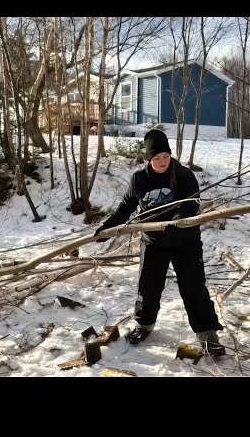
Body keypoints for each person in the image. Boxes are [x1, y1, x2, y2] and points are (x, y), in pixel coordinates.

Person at [94, 129, 225, 357]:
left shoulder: (183, 175)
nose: (162, 161)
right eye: (157, 158)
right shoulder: (139, 179)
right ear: (149, 159)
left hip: (186, 242)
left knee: (194, 289)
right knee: (148, 287)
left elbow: (191, 205)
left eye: (166, 156)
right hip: (153, 242)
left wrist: (176, 221)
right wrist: (108, 228)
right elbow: (126, 208)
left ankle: (208, 334)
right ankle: (144, 325)